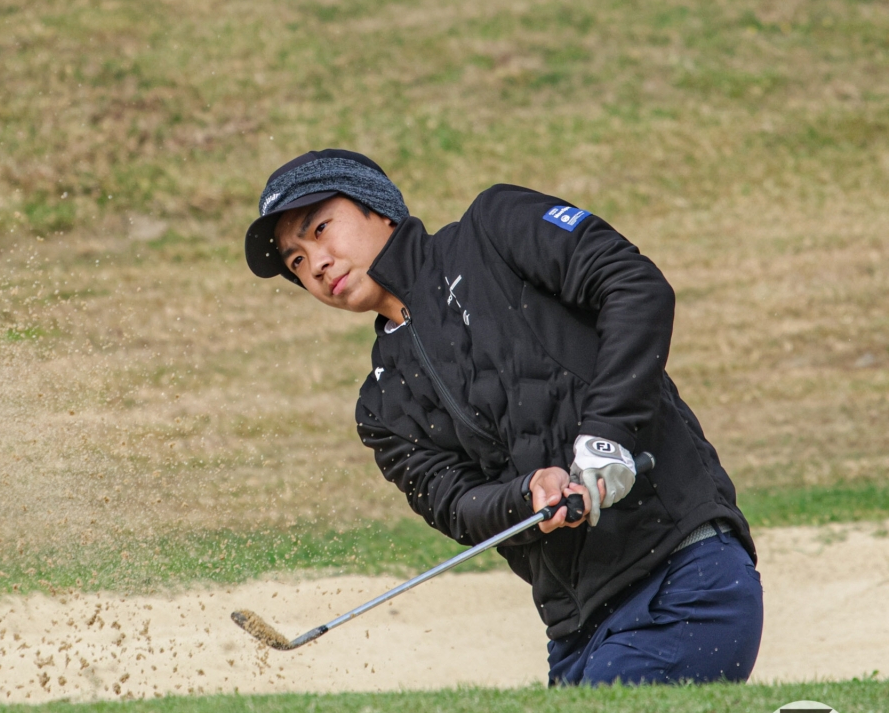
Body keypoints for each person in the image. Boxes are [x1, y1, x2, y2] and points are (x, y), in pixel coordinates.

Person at [245, 149, 764, 685]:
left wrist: (607, 436)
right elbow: (456, 506)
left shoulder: (495, 229)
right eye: (297, 262)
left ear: (377, 207)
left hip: (683, 576)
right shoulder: (380, 407)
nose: (317, 262)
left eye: (321, 229)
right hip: (576, 636)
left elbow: (633, 286)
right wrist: (528, 494)